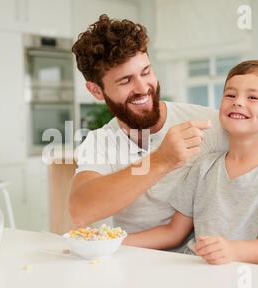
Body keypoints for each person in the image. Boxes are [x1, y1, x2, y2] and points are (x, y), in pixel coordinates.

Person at [123, 60, 258, 266]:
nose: (238, 101)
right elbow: (173, 232)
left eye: (253, 97)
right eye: (230, 95)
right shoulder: (203, 166)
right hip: (195, 273)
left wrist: (232, 250)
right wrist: (116, 241)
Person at [69, 14, 228, 252]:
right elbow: (80, 210)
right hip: (136, 267)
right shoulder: (100, 142)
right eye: (125, 81)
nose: (143, 88)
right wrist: (163, 159)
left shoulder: (210, 124)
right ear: (96, 91)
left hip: (201, 268)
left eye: (146, 72)